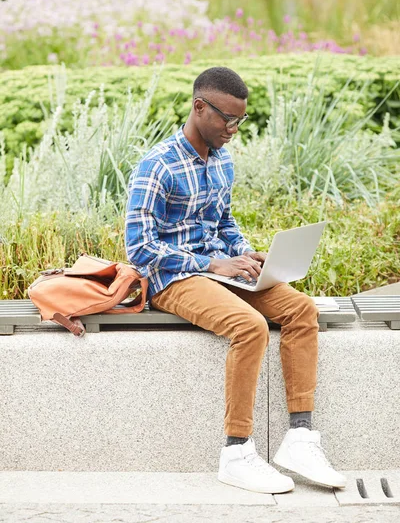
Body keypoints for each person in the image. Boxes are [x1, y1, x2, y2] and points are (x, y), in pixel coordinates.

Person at [125, 66, 346, 494]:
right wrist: (211, 264)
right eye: (227, 119)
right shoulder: (157, 165)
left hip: (220, 271)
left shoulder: (222, 158)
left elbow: (223, 221)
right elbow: (140, 248)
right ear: (199, 107)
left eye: (240, 121)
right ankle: (237, 452)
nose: (233, 129)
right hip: (174, 278)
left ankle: (300, 438)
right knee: (250, 326)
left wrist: (244, 254)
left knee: (302, 309)